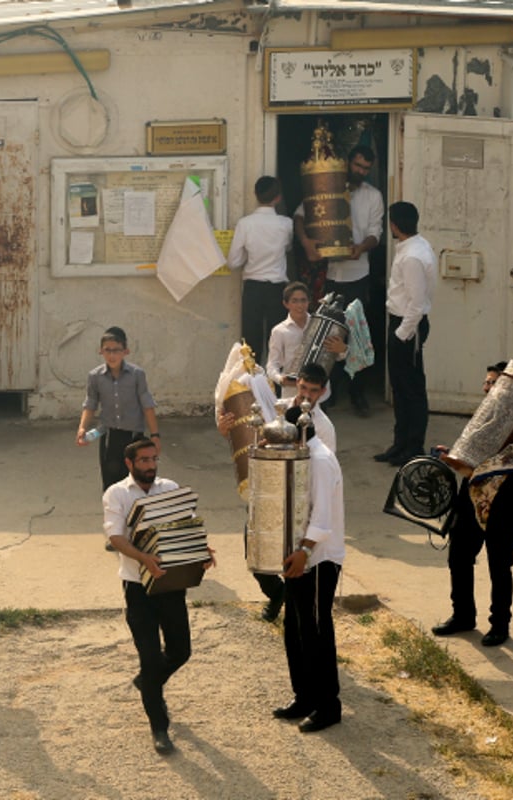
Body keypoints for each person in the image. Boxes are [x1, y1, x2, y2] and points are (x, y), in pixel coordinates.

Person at [104, 438, 214, 755]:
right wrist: (144, 558)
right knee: (151, 657)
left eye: (154, 459)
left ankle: (148, 682)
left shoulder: (170, 488)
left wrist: (202, 551)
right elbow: (115, 537)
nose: (151, 466)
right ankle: (159, 727)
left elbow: (186, 527)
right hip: (137, 586)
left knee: (181, 651)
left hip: (170, 584)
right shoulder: (117, 494)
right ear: (130, 463)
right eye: (143, 461)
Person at [217, 362, 336, 623]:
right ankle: (276, 593)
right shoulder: (277, 409)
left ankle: (293, 603)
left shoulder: (324, 427)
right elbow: (252, 436)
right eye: (303, 387)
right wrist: (227, 429)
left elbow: (321, 469)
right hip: (268, 490)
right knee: (255, 548)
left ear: (322, 392)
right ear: (297, 383)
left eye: (313, 391)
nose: (306, 395)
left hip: (297, 500)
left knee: (292, 555)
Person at [432, 362, 513, 648]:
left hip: (506, 508)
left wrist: (464, 463)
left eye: (493, 383)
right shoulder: (483, 420)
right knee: (459, 558)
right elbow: (468, 452)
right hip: (471, 502)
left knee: (499, 567)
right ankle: (463, 616)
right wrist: (451, 455)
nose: (486, 388)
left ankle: (499, 625)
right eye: (487, 382)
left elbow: (508, 463)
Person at [294, 145, 384, 416]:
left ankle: (358, 394)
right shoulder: (326, 185)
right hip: (330, 274)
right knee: (325, 336)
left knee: (357, 336)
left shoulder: (373, 196)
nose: (360, 171)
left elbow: (375, 233)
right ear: (347, 163)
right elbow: (300, 214)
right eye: (357, 165)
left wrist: (361, 247)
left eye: (365, 168)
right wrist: (306, 241)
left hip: (358, 273)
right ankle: (327, 393)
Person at [272, 403, 345, 733]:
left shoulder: (320, 460)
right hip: (299, 557)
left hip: (319, 559)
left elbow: (322, 519)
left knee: (316, 629)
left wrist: (303, 552)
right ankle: (304, 696)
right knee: (295, 627)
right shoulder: (302, 456)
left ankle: (328, 705)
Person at [374, 201, 437, 467]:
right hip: (403, 323)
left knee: (411, 389)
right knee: (400, 388)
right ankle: (400, 444)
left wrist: (401, 335)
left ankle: (413, 446)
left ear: (394, 225)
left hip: (407, 325)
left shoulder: (412, 256)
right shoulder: (413, 247)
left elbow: (417, 304)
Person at [78, 326, 161, 492]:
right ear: (101, 351)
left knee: (138, 483)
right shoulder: (95, 377)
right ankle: (114, 517)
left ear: (126, 351)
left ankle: (137, 517)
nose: (112, 355)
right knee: (111, 485)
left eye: (116, 350)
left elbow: (147, 405)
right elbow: (91, 403)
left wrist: (155, 435)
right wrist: (82, 428)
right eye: (107, 350)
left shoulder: (137, 375)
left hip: (134, 437)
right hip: (110, 438)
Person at [229, 176, 294, 362]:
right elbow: (288, 248)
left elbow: (233, 261)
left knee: (250, 342)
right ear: (278, 198)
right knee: (278, 342)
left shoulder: (245, 224)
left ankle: (252, 385)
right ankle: (277, 387)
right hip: (277, 288)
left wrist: (247, 258)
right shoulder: (285, 224)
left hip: (253, 288)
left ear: (255, 195)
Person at [265, 282, 346, 400]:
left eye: (303, 300)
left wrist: (342, 349)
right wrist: (281, 379)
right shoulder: (279, 331)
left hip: (319, 393)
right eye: (295, 301)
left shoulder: (322, 325)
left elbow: (335, 356)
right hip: (292, 394)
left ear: (309, 302)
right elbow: (272, 364)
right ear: (285, 304)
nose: (300, 305)